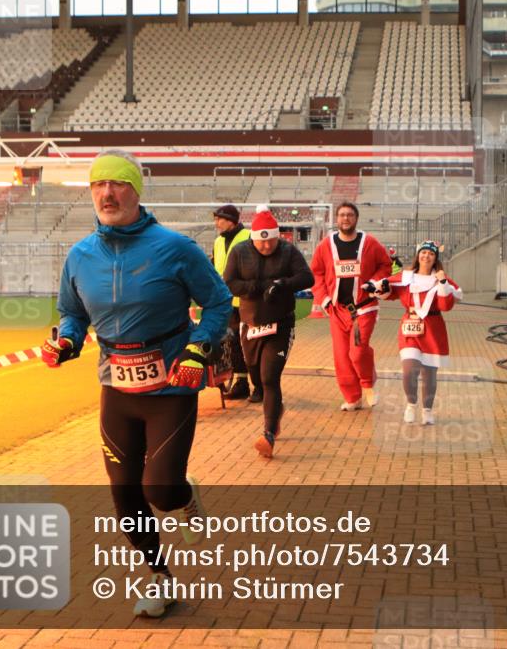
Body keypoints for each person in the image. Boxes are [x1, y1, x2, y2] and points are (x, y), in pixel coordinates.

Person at [41, 149, 232, 618]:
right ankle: (159, 578)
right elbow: (72, 312)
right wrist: (67, 341)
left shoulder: (176, 248)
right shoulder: (80, 255)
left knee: (159, 490)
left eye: (118, 184)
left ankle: (182, 495)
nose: (107, 193)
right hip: (117, 387)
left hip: (171, 383)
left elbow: (219, 303)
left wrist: (197, 348)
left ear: (136, 190)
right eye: (98, 185)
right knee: (124, 492)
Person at [224, 205, 314, 458]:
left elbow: (307, 278)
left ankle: (269, 435)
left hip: (280, 325)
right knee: (256, 377)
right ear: (253, 239)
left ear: (277, 237)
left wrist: (283, 284)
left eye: (271, 242)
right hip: (251, 324)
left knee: (269, 378)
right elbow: (228, 282)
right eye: (262, 243)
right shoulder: (240, 252)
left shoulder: (287, 251)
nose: (266, 247)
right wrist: (256, 287)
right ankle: (277, 411)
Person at [309, 201, 392, 411]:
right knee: (342, 357)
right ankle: (353, 398)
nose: (346, 218)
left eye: (350, 215)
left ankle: (368, 384)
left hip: (363, 308)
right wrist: (324, 300)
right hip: (337, 310)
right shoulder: (325, 246)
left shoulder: (370, 243)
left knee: (357, 351)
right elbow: (316, 273)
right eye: (342, 215)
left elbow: (385, 264)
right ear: (336, 219)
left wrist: (374, 282)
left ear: (356, 219)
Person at [376, 240, 462, 425]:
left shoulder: (440, 278)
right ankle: (411, 404)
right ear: (418, 255)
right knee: (409, 369)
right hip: (409, 326)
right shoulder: (406, 276)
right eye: (423, 252)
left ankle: (427, 410)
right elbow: (387, 291)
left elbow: (445, 307)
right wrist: (376, 287)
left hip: (433, 328)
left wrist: (443, 284)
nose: (426, 256)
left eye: (431, 254)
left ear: (435, 258)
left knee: (429, 374)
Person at [211, 204, 253, 400]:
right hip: (226, 302)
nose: (216, 223)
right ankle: (241, 382)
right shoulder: (218, 242)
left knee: (251, 343)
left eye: (219, 218)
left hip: (246, 299)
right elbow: (214, 268)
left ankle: (260, 384)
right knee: (233, 342)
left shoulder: (249, 237)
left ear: (230, 220)